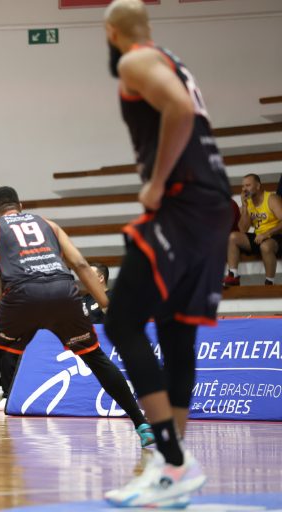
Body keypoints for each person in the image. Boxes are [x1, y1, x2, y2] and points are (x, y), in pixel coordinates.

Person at [102, 0, 233, 507]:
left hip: (184, 203)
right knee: (177, 330)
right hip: (214, 207)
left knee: (122, 322)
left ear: (112, 32)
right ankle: (171, 468)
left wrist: (156, 184)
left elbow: (179, 110)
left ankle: (174, 457)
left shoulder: (135, 60)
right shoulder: (172, 60)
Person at [0, 186, 154, 455]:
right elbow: (81, 265)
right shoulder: (48, 225)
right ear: (21, 206)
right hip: (63, 291)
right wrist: (107, 305)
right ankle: (142, 425)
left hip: (23, 294)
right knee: (95, 357)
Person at [224, 174, 282, 286]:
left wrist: (267, 234)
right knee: (233, 237)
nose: (244, 189)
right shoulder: (248, 202)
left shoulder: (271, 199)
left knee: (265, 246)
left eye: (248, 185)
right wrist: (244, 207)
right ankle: (233, 275)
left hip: (277, 236)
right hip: (259, 237)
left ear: (258, 186)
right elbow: (242, 229)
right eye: (243, 186)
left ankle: (269, 282)